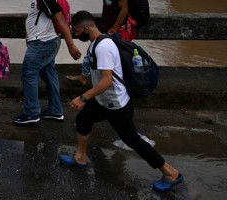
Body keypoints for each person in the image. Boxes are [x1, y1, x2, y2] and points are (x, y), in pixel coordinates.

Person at [59, 10, 184, 193]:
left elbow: (107, 80)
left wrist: (83, 97)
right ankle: (80, 157)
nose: (76, 35)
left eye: (77, 31)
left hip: (115, 103)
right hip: (102, 100)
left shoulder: (103, 47)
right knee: (83, 120)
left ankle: (170, 172)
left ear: (85, 28)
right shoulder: (97, 43)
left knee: (132, 140)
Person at [12, 0, 81, 125]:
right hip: (43, 42)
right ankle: (55, 111)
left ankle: (31, 113)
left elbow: (60, 19)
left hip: (43, 43)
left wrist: (70, 44)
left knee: (28, 74)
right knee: (49, 74)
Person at [67, 0, 136, 86]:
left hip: (117, 29)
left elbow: (124, 9)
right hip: (106, 26)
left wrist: (115, 27)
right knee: (91, 51)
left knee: (118, 56)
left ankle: (115, 82)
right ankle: (85, 76)